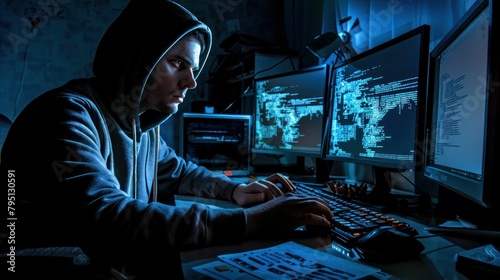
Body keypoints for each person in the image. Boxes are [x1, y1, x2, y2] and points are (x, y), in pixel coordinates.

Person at [1, 0, 332, 278]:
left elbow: (181, 171)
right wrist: (251, 222)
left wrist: (234, 189)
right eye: (178, 63)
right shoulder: (68, 114)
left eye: (194, 70)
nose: (191, 82)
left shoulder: (140, 126)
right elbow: (109, 217)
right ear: (136, 60)